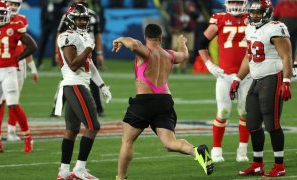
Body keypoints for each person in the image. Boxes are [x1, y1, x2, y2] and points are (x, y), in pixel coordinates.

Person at [112, 24, 214, 180]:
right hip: (164, 102)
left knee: (127, 140)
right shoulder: (169, 55)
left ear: (145, 37)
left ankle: (120, 178)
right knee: (170, 143)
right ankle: (196, 152)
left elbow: (133, 44)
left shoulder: (145, 52)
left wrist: (120, 39)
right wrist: (182, 43)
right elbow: (184, 55)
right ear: (160, 38)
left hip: (144, 102)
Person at [229, 0, 292, 177]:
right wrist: (237, 78)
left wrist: (286, 80)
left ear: (267, 12)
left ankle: (279, 165)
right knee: (252, 124)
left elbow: (286, 55)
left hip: (272, 78)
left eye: (259, 12)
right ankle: (257, 164)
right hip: (256, 80)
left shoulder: (275, 27)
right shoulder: (249, 28)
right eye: (253, 12)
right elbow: (249, 56)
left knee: (272, 124)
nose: (255, 15)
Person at [55, 4, 111, 180]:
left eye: (84, 19)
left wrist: (102, 86)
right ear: (71, 20)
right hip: (74, 84)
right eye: (79, 18)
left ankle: (64, 172)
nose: (82, 22)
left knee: (72, 130)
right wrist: (88, 47)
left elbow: (90, 65)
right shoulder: (66, 36)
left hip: (79, 85)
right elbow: (73, 64)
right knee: (93, 126)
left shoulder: (83, 36)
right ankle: (79, 169)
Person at [0, 1, 37, 153]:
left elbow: (32, 46)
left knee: (13, 105)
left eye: (3, 13)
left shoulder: (15, 25)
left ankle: (28, 138)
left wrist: (18, 58)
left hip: (9, 71)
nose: (1, 16)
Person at [198, 0, 251, 163]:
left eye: (239, 1)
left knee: (245, 112)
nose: (235, 5)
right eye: (233, 1)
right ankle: (216, 150)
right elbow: (201, 43)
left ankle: (242, 150)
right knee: (223, 112)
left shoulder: (253, 18)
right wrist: (209, 64)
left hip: (247, 74)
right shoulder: (219, 19)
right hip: (225, 75)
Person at [53, 0, 106, 117]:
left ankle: (99, 108)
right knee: (68, 79)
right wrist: (57, 52)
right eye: (79, 19)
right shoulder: (67, 16)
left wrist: (99, 52)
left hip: (89, 49)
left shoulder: (92, 15)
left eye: (84, 19)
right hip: (74, 50)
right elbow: (60, 33)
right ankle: (57, 107)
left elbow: (97, 34)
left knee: (91, 78)